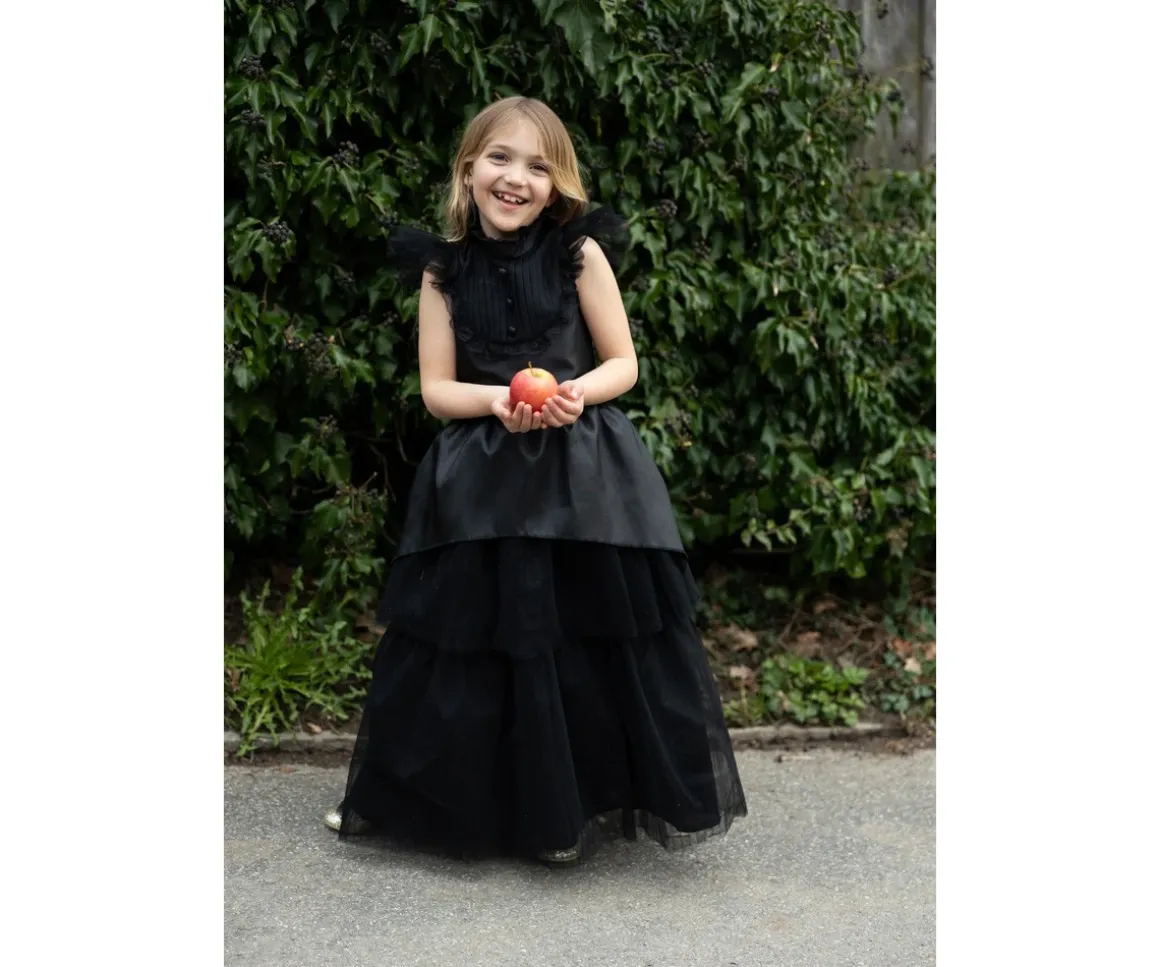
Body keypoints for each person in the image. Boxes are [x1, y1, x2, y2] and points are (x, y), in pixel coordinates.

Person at [325, 96, 746, 865]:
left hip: (580, 472)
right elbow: (436, 389)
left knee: (581, 636)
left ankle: (569, 810)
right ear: (468, 170)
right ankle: (419, 797)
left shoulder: (578, 254)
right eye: (499, 158)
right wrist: (495, 401)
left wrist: (577, 392)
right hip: (480, 480)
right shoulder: (442, 271)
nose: (515, 177)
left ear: (557, 185)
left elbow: (624, 362)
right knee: (468, 644)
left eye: (537, 166)